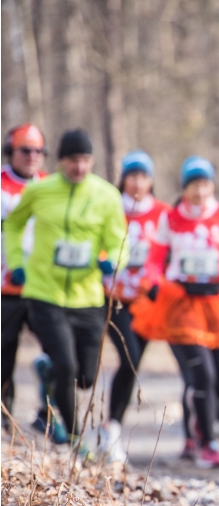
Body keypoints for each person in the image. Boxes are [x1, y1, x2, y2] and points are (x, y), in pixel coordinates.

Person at [4, 129, 128, 453]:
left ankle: (47, 374)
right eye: (73, 160)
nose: (80, 167)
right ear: (61, 161)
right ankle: (75, 438)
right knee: (67, 366)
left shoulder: (106, 196)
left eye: (86, 160)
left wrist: (111, 261)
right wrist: (17, 262)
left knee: (85, 377)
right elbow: (14, 224)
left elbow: (119, 241)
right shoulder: (40, 191)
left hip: (88, 297)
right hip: (45, 293)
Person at [131, 156, 219, 468]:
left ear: (212, 185)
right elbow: (155, 258)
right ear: (185, 187)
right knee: (203, 375)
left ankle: (193, 430)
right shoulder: (171, 218)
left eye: (205, 184)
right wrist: (153, 281)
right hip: (182, 303)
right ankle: (209, 444)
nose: (200, 191)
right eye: (194, 184)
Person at [99, 150, 170, 462]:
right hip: (112, 297)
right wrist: (102, 262)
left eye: (144, 176)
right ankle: (110, 430)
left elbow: (169, 251)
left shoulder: (163, 214)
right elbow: (95, 240)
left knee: (134, 363)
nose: (138, 182)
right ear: (123, 179)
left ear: (151, 180)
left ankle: (112, 427)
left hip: (146, 300)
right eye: (132, 176)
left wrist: (158, 279)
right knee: (130, 356)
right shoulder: (109, 207)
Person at [0, 123, 63, 441]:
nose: (32, 157)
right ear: (11, 151)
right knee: (4, 356)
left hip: (42, 286)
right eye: (26, 150)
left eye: (39, 151)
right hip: (5, 288)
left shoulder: (52, 186)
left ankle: (49, 413)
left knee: (58, 351)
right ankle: (5, 420)